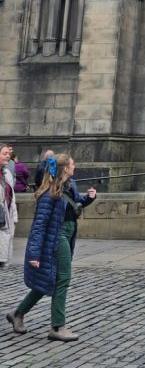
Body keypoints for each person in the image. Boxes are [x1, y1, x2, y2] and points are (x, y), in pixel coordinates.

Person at [7, 153, 97, 341]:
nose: (74, 166)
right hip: (58, 237)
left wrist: (88, 199)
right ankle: (57, 327)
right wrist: (34, 254)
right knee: (63, 278)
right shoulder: (49, 195)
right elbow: (38, 227)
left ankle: (18, 313)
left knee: (48, 280)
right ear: (65, 168)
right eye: (72, 164)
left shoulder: (69, 185)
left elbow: (75, 202)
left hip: (68, 233)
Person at [0, 145, 18, 268]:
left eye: (8, 153)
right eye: (4, 153)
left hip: (5, 219)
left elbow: (11, 198)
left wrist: (14, 218)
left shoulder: (7, 173)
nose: (8, 156)